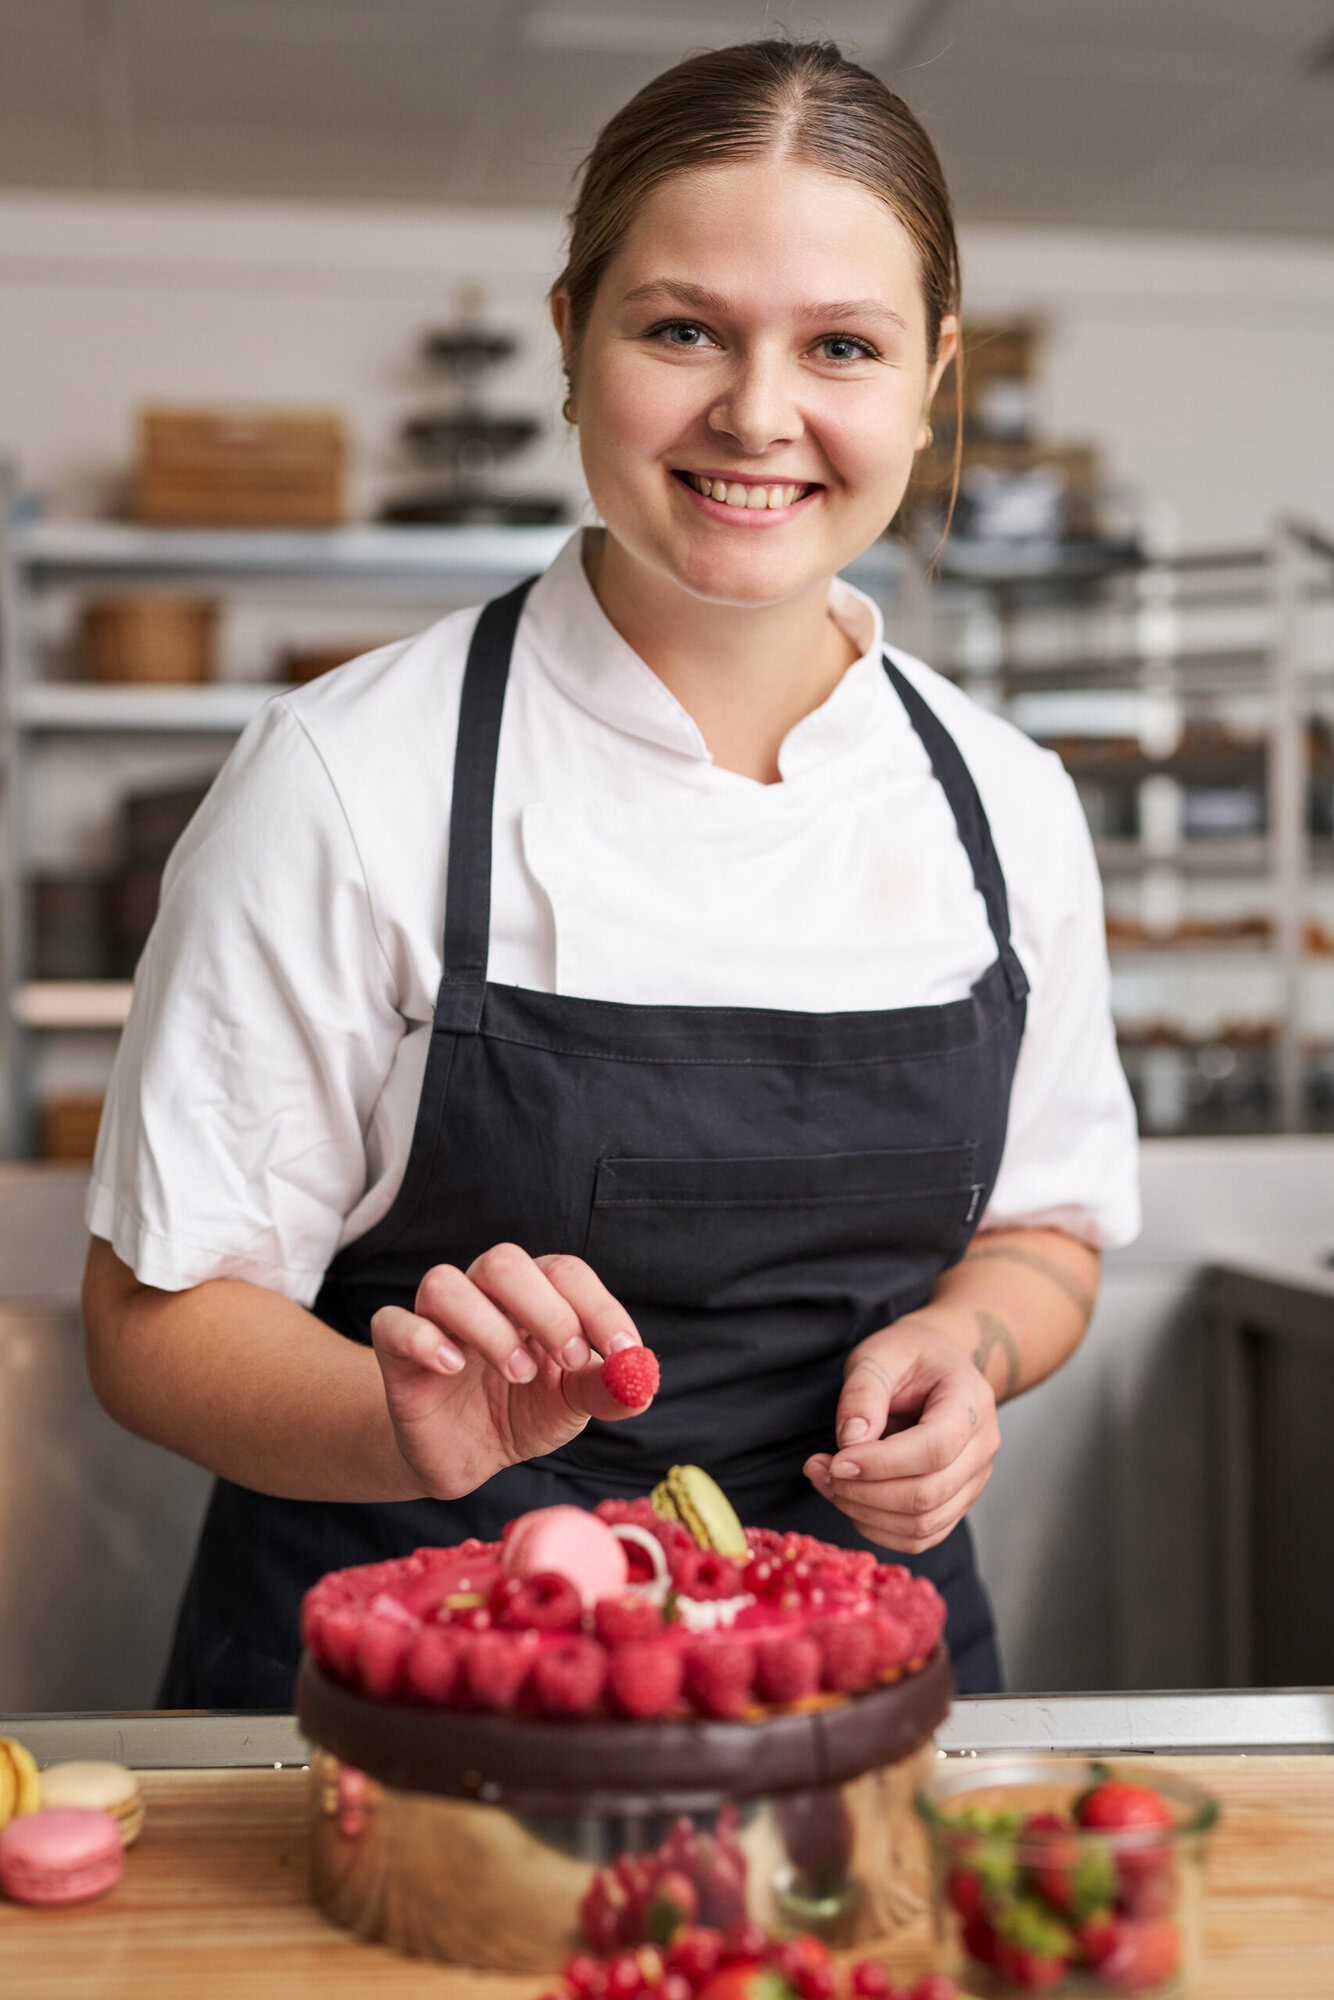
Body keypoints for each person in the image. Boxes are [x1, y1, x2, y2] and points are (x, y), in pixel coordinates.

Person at [82, 40, 1138, 1707]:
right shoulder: (349, 776)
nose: (758, 415)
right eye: (681, 330)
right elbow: (156, 1322)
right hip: (404, 1707)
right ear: (572, 336)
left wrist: (970, 1349)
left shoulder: (1004, 803)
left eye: (841, 346)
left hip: (845, 1696)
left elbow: (1044, 1231)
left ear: (929, 376)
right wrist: (397, 1419)